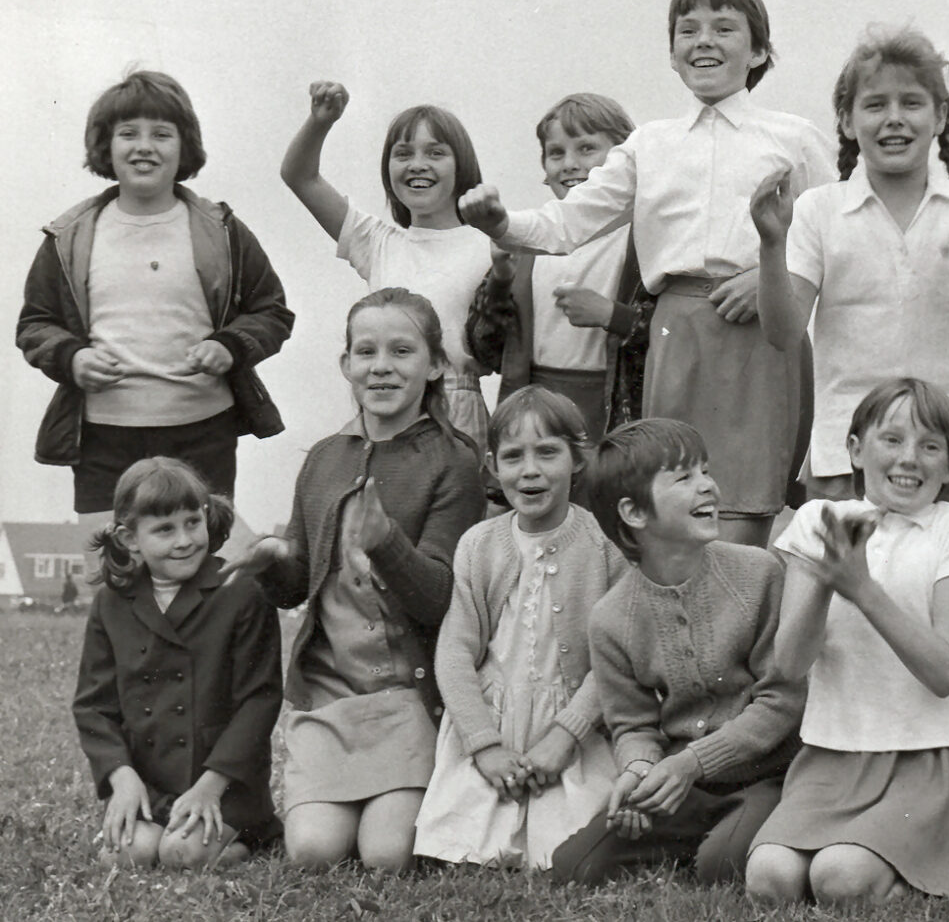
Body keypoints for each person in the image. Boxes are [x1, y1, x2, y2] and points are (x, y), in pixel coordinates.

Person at [459, 0, 838, 546]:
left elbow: (832, 231)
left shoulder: (794, 137)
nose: (704, 41)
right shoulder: (649, 145)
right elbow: (568, 223)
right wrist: (502, 224)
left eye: (724, 28)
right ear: (672, 53)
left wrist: (769, 274)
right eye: (689, 30)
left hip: (761, 331)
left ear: (758, 50)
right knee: (670, 513)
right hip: (675, 335)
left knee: (740, 519)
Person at [752, 26, 949, 767]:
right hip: (851, 464)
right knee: (846, 629)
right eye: (873, 104)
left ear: (941, 117)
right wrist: (768, 243)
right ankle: (848, 774)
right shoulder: (817, 210)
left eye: (914, 102)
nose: (894, 118)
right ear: (846, 121)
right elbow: (784, 332)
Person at [223, 288, 484, 870]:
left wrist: (385, 543)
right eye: (365, 351)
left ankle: (413, 796)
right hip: (331, 695)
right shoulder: (322, 458)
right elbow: (295, 587)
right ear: (346, 364)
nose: (382, 366)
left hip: (410, 699)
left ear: (436, 365)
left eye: (402, 351)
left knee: (387, 857)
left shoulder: (454, 462)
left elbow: (441, 600)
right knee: (314, 852)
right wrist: (271, 559)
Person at [744, 378, 949, 903]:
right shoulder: (820, 519)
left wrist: (862, 589)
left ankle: (935, 853)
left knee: (840, 879)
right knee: (769, 879)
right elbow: (790, 665)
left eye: (931, 446)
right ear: (856, 450)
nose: (911, 458)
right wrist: (823, 578)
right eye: (893, 440)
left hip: (928, 758)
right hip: (831, 756)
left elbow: (945, 671)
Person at [18, 70, 292, 524]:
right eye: (129, 133)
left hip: (203, 434)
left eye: (161, 134)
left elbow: (271, 311)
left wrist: (229, 346)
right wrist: (71, 358)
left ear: (185, 147)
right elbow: (35, 324)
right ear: (106, 146)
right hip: (104, 437)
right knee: (112, 571)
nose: (144, 146)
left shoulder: (222, 231)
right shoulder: (68, 237)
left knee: (200, 569)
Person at [547, 418, 806, 885]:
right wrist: (641, 773)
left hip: (770, 774)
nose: (708, 486)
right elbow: (633, 724)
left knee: (721, 866)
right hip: (688, 782)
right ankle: (700, 835)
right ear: (635, 513)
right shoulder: (610, 619)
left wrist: (691, 763)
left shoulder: (759, 574)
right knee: (574, 867)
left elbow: (783, 700)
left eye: (705, 471)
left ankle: (728, 840)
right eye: (685, 478)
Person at [414, 386, 626, 867]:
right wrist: (484, 744)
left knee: (571, 853)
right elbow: (454, 652)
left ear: (578, 458)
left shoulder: (604, 547)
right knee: (461, 850)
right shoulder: (478, 544)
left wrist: (564, 736)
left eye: (548, 452)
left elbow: (617, 662)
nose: (529, 470)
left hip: (572, 727)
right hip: (492, 722)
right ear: (492, 465)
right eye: (513, 456)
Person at [73, 457, 282, 869]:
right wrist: (121, 777)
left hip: (223, 785)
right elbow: (93, 706)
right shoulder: (111, 604)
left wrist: (211, 786)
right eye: (164, 529)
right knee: (123, 857)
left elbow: (259, 701)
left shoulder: (241, 593)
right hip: (148, 782)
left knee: (181, 854)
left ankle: (251, 841)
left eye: (192, 521)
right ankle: (153, 817)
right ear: (129, 537)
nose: (184, 540)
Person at [280, 82, 493, 451]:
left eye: (436, 152)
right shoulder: (377, 242)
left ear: (462, 166)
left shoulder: (489, 245)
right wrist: (320, 122)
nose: (417, 165)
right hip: (385, 404)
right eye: (403, 153)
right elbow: (300, 176)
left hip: (457, 411)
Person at [463, 94, 651, 436]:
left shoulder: (646, 241)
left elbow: (674, 336)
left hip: (616, 418)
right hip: (537, 420)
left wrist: (613, 315)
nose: (569, 164)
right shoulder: (527, 243)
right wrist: (501, 282)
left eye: (586, 148)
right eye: (556, 153)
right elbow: (484, 350)